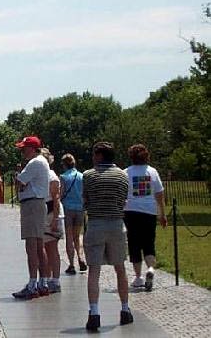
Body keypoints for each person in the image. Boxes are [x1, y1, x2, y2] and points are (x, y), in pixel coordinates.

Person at [82, 141, 133, 331]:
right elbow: (123, 199)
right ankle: (125, 309)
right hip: (116, 223)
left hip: (96, 223)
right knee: (120, 268)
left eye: (95, 153)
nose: (93, 157)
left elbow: (85, 199)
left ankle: (94, 312)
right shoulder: (122, 175)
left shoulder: (88, 175)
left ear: (100, 155)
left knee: (94, 271)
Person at [124, 144, 167, 291]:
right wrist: (162, 213)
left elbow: (123, 193)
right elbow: (160, 194)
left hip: (131, 211)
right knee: (149, 244)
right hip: (149, 212)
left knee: (134, 244)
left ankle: (138, 277)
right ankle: (150, 269)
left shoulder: (126, 173)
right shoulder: (152, 172)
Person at [12, 136, 50, 300]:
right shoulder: (42, 162)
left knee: (31, 246)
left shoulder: (34, 163)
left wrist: (19, 178)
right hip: (38, 203)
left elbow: (19, 181)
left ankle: (32, 284)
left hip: (32, 204)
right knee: (39, 245)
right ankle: (43, 282)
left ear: (32, 148)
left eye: (24, 148)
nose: (22, 151)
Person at [41, 148, 65, 294]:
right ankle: (47, 278)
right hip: (44, 212)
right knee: (44, 247)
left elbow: (56, 198)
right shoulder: (43, 175)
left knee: (52, 248)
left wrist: (55, 219)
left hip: (51, 212)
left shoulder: (51, 176)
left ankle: (55, 280)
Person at [60, 153, 87, 274]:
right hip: (80, 208)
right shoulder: (82, 176)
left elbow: (61, 194)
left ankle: (71, 264)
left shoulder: (63, 177)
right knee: (77, 236)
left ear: (64, 164)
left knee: (69, 237)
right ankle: (81, 258)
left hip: (68, 209)